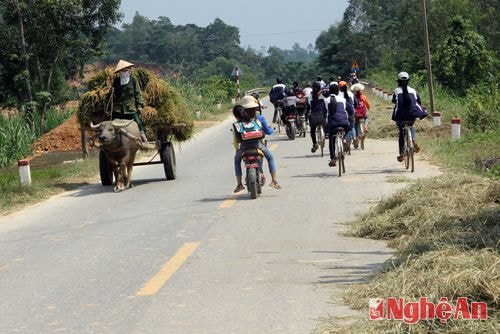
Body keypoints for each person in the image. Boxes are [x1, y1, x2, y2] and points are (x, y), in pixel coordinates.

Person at [233, 96, 281, 192]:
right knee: (270, 158)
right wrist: (272, 128)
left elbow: (237, 137)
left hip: (244, 148)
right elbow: (268, 132)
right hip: (257, 145)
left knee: (236, 161)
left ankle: (239, 184)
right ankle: (274, 180)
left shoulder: (239, 121)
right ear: (255, 108)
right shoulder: (259, 118)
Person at [391, 71, 428, 162]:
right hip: (412, 114)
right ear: (408, 81)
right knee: (410, 124)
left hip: (400, 116)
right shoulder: (413, 90)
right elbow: (418, 101)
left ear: (398, 81)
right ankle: (413, 139)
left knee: (401, 133)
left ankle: (401, 153)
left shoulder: (397, 91)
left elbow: (394, 101)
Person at [112, 60, 147, 142]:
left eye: (126, 70)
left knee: (138, 123)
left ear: (129, 71)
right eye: (123, 71)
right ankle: (113, 141)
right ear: (119, 72)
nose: (124, 72)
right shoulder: (116, 81)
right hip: (118, 108)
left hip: (130, 108)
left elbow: (137, 93)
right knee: (112, 124)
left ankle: (143, 138)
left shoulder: (133, 80)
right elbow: (113, 93)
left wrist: (139, 106)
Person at [325, 82, 353, 167]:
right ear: (338, 91)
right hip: (343, 122)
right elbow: (351, 111)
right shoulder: (343, 100)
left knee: (331, 140)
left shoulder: (326, 100)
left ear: (329, 91)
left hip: (332, 124)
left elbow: (324, 112)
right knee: (349, 130)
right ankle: (346, 141)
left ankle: (333, 158)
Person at [308, 81, 327, 153]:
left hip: (314, 117)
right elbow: (326, 104)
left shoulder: (310, 96)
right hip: (322, 116)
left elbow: (309, 105)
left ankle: (314, 143)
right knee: (325, 124)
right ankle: (325, 134)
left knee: (312, 130)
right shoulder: (323, 95)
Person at [339, 81, 356, 150]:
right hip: (350, 113)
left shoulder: (338, 95)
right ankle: (352, 138)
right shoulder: (351, 94)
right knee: (351, 127)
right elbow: (355, 103)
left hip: (341, 114)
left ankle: (343, 140)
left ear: (339, 87)